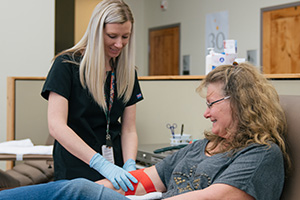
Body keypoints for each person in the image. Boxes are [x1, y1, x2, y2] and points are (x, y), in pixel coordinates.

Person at [0, 62, 290, 199]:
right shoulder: (200, 147)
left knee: (77, 190)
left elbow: (216, 197)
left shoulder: (261, 155)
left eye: (212, 103)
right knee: (77, 190)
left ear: (238, 103)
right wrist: (101, 188)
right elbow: (146, 180)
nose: (206, 113)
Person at [41, 0, 143, 192]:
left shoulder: (126, 73)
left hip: (115, 168)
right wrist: (99, 163)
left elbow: (129, 129)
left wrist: (129, 164)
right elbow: (56, 126)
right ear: (96, 31)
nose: (119, 44)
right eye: (112, 36)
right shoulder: (66, 65)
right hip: (75, 165)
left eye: (125, 36)